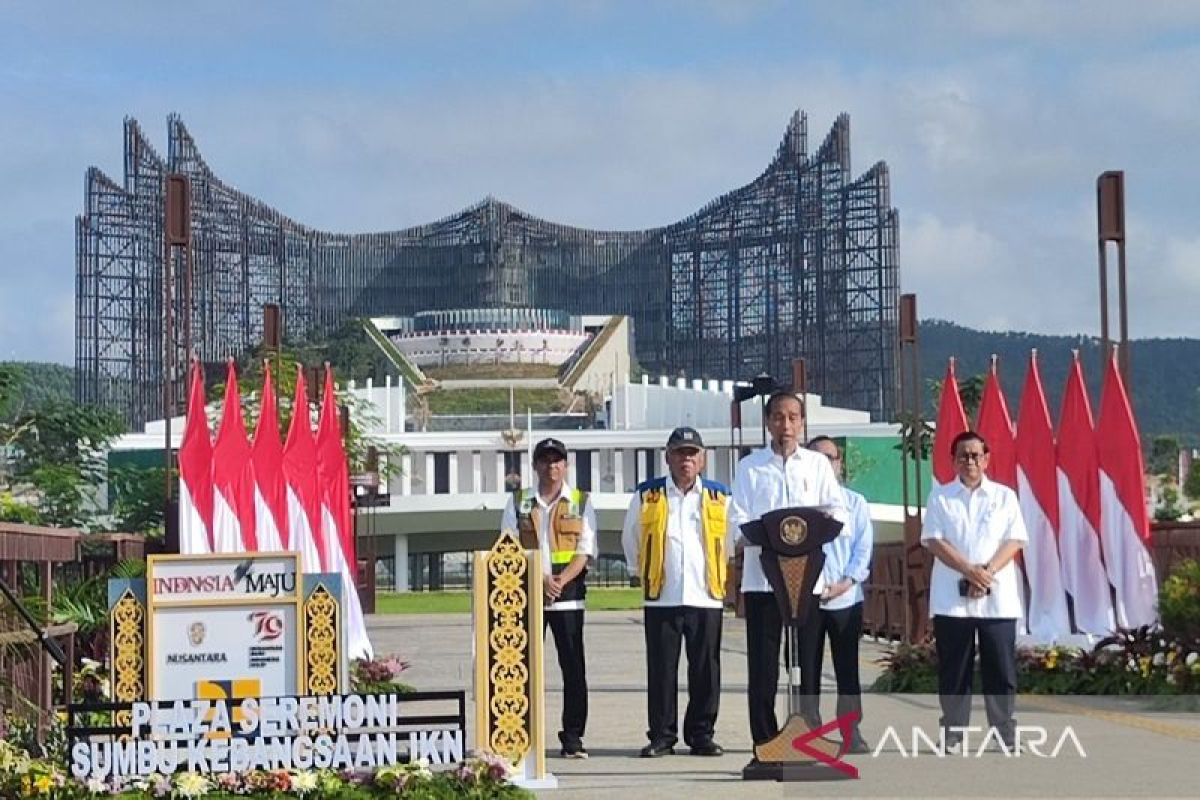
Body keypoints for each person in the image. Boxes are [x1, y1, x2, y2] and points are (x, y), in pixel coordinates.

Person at [728, 391, 847, 748]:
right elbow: (737, 523)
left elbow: (838, 513)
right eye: (779, 417)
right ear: (768, 422)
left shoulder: (816, 465)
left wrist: (808, 530)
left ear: (802, 422)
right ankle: (765, 743)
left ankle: (809, 739)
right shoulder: (751, 467)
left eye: (793, 417)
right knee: (763, 670)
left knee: (806, 666)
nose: (786, 425)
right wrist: (772, 534)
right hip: (764, 583)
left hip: (806, 582)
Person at [621, 427, 730, 758]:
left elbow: (732, 539)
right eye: (680, 453)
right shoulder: (648, 495)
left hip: (705, 594)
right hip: (663, 595)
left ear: (703, 458)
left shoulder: (719, 495)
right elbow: (632, 538)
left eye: (692, 453)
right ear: (667, 456)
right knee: (662, 669)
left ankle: (701, 734)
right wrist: (645, 573)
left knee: (706, 670)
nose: (686, 459)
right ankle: (662, 736)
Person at [920, 430, 1027, 751]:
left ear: (986, 459)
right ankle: (953, 733)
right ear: (953, 461)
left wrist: (986, 573)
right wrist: (969, 571)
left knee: (1001, 669)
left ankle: (1005, 733)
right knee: (955, 669)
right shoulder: (940, 496)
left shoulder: (1004, 496)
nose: (970, 461)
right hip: (952, 598)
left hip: (997, 596)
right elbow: (934, 540)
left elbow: (1016, 539)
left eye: (976, 455)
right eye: (963, 456)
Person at [500, 437, 598, 759]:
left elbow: (584, 551)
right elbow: (508, 546)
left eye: (557, 460)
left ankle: (573, 738)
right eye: (545, 460)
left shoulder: (581, 501)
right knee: (521, 668)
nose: (551, 466)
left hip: (568, 598)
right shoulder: (519, 502)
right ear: (535, 465)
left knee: (573, 669)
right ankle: (519, 735)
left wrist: (560, 581)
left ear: (565, 465)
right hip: (528, 596)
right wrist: (539, 579)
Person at [799, 436, 873, 754]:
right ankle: (810, 729)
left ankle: (850, 730)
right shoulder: (800, 504)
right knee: (808, 668)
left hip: (845, 598)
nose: (825, 465)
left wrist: (844, 584)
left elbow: (862, 551)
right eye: (817, 458)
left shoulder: (855, 503)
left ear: (839, 463)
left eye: (830, 458)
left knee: (847, 669)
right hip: (807, 598)